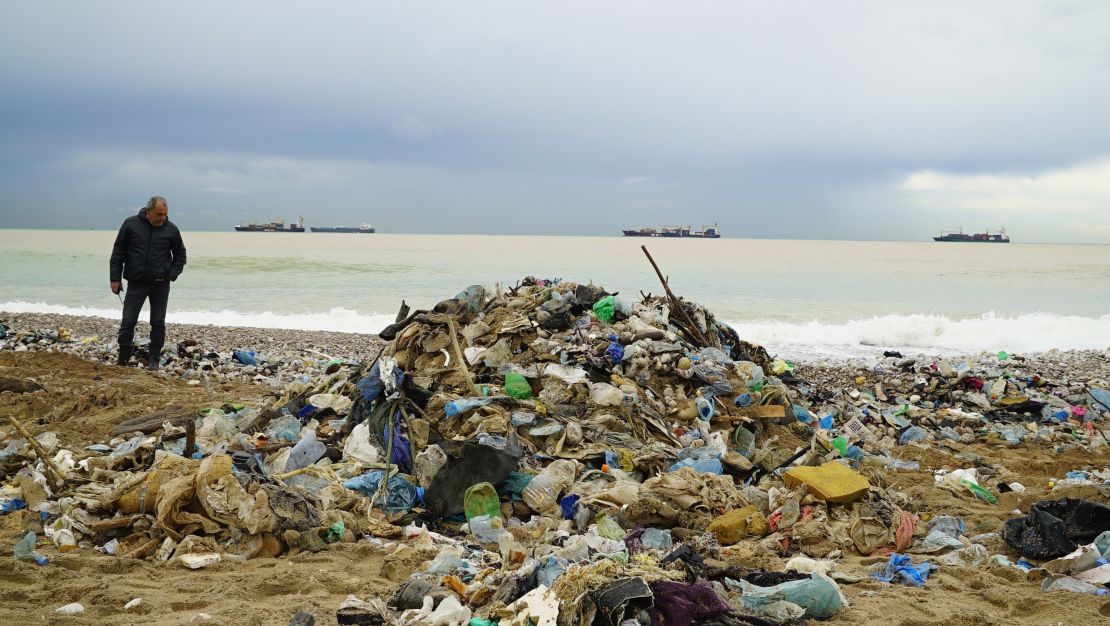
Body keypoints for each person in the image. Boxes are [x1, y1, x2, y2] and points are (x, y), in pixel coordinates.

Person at [109, 196, 187, 370]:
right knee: (128, 321)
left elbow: (181, 256)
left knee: (158, 323)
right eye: (159, 214)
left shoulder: (171, 229)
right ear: (148, 210)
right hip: (136, 282)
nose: (162, 218)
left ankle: (154, 360)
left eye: (165, 214)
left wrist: (171, 274)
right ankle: (122, 359)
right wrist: (115, 278)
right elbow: (118, 252)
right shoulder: (130, 224)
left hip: (161, 284)